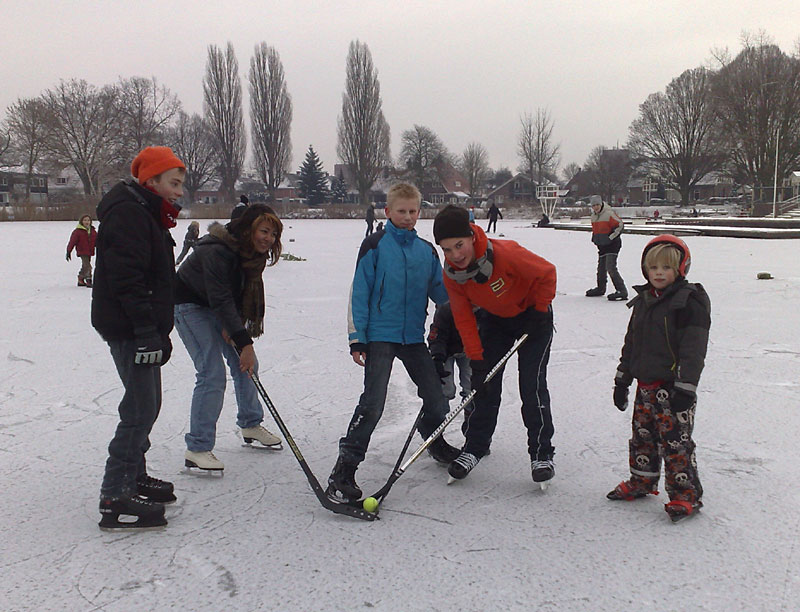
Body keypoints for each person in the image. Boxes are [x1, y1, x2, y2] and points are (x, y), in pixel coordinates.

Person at [326, 182, 461, 503]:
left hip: (412, 337)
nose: (408, 217)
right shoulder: (374, 245)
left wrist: (463, 285)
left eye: (413, 211)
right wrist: (357, 338)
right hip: (379, 336)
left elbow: (442, 294)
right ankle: (344, 469)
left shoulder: (426, 251)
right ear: (388, 212)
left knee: (437, 399)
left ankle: (432, 439)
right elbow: (360, 292)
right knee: (373, 403)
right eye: (401, 211)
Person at [92, 146, 186, 530]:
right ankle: (116, 491)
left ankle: (135, 475)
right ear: (152, 181)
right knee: (140, 409)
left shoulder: (145, 212)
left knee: (149, 403)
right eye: (174, 183)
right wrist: (147, 332)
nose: (180, 192)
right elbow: (127, 278)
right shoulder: (130, 214)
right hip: (130, 327)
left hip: (140, 326)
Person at [432, 205, 557, 486]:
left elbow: (547, 273)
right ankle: (474, 447)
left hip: (533, 319)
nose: (455, 255)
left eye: (459, 245)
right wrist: (475, 360)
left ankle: (541, 453)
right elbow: (463, 318)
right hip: (497, 321)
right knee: (484, 384)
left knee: (531, 385)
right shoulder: (452, 275)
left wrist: (539, 310)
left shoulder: (505, 253)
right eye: (447, 249)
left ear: (471, 237)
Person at [174, 204, 284, 473]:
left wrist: (234, 327)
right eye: (264, 231)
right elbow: (220, 296)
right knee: (212, 373)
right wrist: (242, 339)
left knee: (246, 366)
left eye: (273, 234)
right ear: (248, 229)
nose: (268, 239)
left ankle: (250, 424)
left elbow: (235, 292)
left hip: (215, 304)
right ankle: (198, 448)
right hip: (188, 304)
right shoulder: (216, 251)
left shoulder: (249, 255)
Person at [609, 234, 710, 522]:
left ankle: (685, 495)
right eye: (653, 268)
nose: (659, 274)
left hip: (673, 388)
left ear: (681, 269)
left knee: (675, 443)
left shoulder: (689, 301)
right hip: (645, 386)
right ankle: (642, 480)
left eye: (666, 268)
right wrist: (622, 379)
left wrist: (686, 388)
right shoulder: (643, 301)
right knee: (642, 437)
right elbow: (632, 343)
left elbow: (693, 348)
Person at [427, 302, 472, 432]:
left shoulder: (482, 307)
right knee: (445, 390)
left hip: (470, 349)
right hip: (445, 351)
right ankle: (435, 432)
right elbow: (437, 336)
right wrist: (437, 357)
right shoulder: (445, 310)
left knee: (472, 389)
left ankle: (472, 432)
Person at [585, 194, 628, 301]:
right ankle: (601, 288)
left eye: (597, 205)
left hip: (613, 245)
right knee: (601, 268)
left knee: (610, 267)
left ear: (601, 204)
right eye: (593, 205)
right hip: (602, 246)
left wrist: (611, 237)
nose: (596, 207)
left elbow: (620, 225)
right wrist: (594, 238)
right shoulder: (594, 216)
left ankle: (622, 291)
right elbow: (596, 229)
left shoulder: (608, 214)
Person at [66, 214, 97, 287]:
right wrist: (68, 251)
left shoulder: (92, 231)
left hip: (90, 250)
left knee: (85, 265)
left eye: (88, 220)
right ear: (81, 221)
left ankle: (81, 278)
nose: (87, 222)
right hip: (82, 251)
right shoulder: (77, 231)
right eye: (85, 220)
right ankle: (89, 280)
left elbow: (97, 240)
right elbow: (72, 242)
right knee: (88, 266)